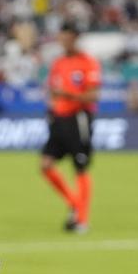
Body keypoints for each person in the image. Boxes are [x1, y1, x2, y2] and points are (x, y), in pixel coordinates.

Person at [40, 21, 101, 234]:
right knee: (46, 165)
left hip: (79, 118)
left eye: (66, 37)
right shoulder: (59, 63)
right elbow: (51, 90)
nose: (63, 41)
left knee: (80, 166)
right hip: (59, 119)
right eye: (61, 37)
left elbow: (94, 95)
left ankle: (82, 219)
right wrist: (52, 106)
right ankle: (75, 202)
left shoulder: (88, 62)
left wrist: (67, 95)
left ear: (75, 37)